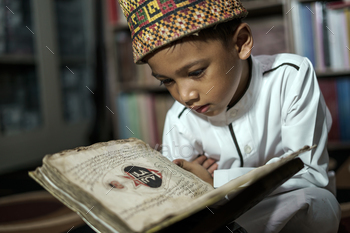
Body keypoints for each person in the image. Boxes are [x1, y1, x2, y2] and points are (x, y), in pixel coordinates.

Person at [118, 0, 341, 232]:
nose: (185, 96)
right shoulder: (179, 118)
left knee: (317, 203)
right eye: (167, 81)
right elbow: (179, 201)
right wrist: (190, 183)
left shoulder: (290, 77)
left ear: (241, 43)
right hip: (218, 218)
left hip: (280, 207)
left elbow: (309, 172)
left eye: (196, 72)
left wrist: (215, 182)